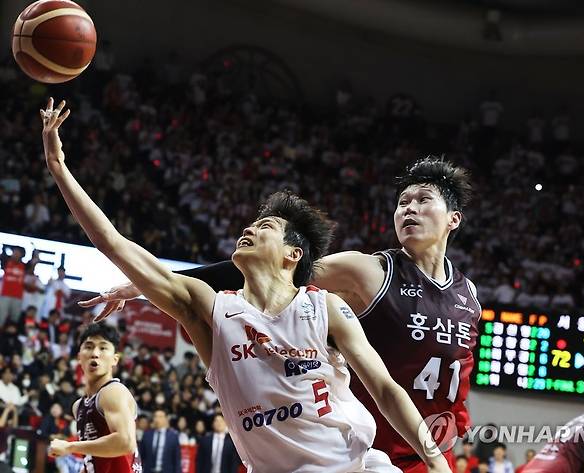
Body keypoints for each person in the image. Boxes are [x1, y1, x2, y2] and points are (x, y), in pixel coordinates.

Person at [40, 98, 450, 473]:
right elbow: (114, 243)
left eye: (266, 226)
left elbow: (384, 388)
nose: (250, 228)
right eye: (251, 223)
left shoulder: (324, 307)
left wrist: (436, 460)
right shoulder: (212, 309)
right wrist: (59, 168)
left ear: (293, 255)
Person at [47, 323, 141, 473]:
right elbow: (93, 459)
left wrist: (70, 447)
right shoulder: (79, 406)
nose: (95, 353)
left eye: (103, 348)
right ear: (79, 357)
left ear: (115, 359)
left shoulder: (113, 392)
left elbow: (125, 442)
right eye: (89, 347)